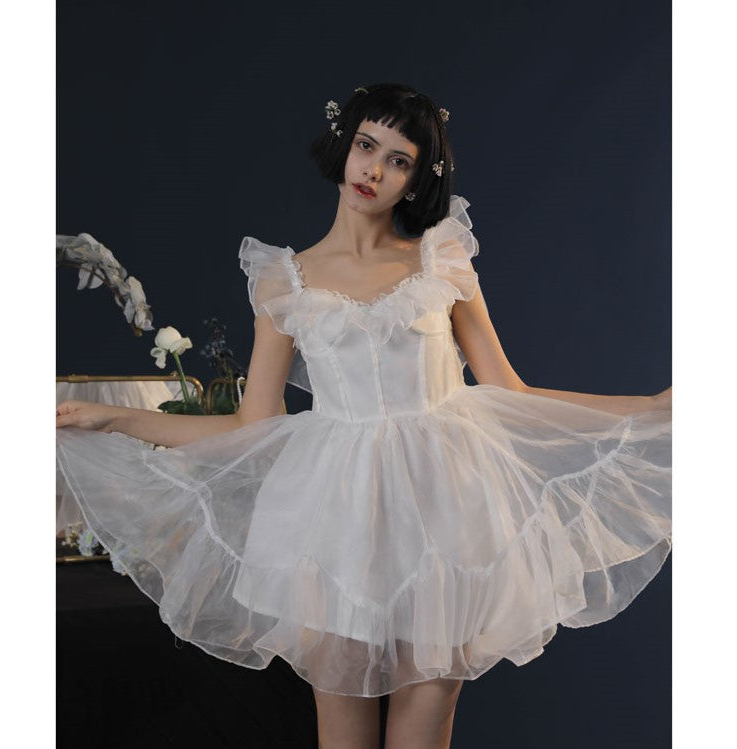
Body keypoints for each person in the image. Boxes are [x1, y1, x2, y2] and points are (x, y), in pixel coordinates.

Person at [56, 83, 672, 749]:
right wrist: (110, 419)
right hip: (337, 524)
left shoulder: (442, 261)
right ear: (343, 146)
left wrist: (653, 407)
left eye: (398, 160)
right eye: (366, 146)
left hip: (448, 516)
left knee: (426, 722)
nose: (374, 170)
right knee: (342, 731)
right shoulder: (284, 281)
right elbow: (248, 424)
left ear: (417, 179)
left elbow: (511, 390)